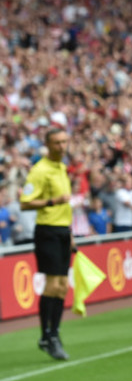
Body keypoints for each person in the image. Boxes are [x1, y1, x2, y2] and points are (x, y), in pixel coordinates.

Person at [19, 128, 74, 361]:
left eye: (64, 141)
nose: (62, 146)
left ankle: (55, 333)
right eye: (57, 143)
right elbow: (25, 202)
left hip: (62, 231)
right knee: (52, 285)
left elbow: (66, 207)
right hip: (47, 231)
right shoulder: (39, 170)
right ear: (48, 145)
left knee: (62, 285)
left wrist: (70, 234)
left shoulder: (62, 167)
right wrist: (52, 201)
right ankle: (46, 336)